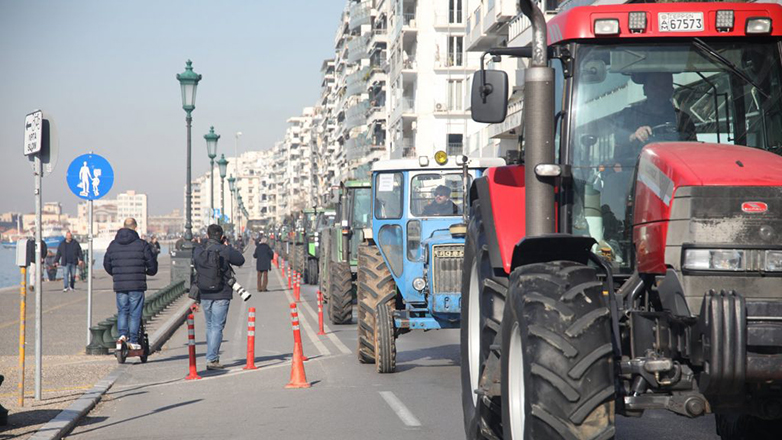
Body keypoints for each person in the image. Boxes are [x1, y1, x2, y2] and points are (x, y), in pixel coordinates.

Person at [191, 224, 245, 370]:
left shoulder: (200, 250)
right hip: (222, 292)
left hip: (205, 293)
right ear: (221, 237)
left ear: (207, 235)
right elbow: (240, 260)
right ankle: (212, 359)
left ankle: (211, 355)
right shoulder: (224, 249)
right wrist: (227, 246)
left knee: (210, 325)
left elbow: (195, 266)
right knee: (217, 326)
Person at [614, 72, 697, 163]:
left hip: (673, 170)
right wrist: (634, 135)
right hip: (634, 169)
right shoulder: (629, 114)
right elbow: (618, 135)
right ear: (645, 89)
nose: (660, 90)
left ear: (671, 91)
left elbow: (693, 148)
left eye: (665, 86)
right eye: (654, 85)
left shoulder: (683, 119)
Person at [103, 218, 158, 351]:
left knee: (122, 310)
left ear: (123, 226)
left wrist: (116, 274)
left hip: (120, 284)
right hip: (137, 283)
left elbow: (106, 264)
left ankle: (122, 335)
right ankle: (133, 341)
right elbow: (151, 264)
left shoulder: (113, 245)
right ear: (135, 228)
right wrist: (149, 271)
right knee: (135, 313)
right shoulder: (142, 244)